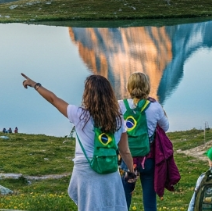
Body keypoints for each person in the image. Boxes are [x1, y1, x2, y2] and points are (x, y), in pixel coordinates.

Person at [21, 73, 136, 211]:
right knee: (110, 206)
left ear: (88, 94)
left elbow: (53, 99)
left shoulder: (80, 115)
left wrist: (35, 85)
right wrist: (131, 172)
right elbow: (125, 151)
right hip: (109, 171)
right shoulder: (118, 120)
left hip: (85, 170)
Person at [119, 72, 170, 211]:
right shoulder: (155, 107)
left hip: (127, 159)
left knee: (124, 196)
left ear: (129, 87)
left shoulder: (120, 106)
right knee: (149, 197)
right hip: (148, 158)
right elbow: (166, 127)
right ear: (147, 87)